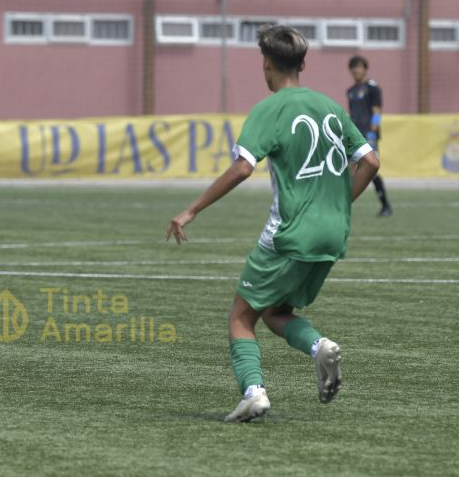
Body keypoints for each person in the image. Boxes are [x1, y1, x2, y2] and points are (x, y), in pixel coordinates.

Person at [166, 25, 379, 422]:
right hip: (333, 233)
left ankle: (254, 393)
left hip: (290, 234)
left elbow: (244, 168)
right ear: (302, 63)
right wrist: (338, 204)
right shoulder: (330, 106)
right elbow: (371, 162)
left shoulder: (270, 109)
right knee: (275, 311)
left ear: (266, 64)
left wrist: (191, 209)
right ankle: (320, 347)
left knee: (241, 317)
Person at [347, 55, 392, 217]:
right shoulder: (351, 91)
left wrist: (372, 133)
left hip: (368, 136)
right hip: (354, 136)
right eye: (353, 67)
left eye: (359, 67)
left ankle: (385, 205)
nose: (356, 70)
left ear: (365, 69)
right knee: (349, 170)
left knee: (371, 170)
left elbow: (377, 112)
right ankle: (344, 205)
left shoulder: (373, 88)